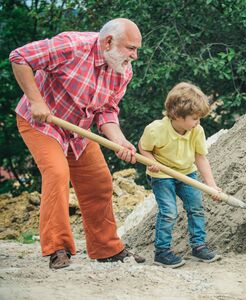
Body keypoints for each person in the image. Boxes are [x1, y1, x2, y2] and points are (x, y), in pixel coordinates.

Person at [10, 18, 146, 269]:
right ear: (108, 42)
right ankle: (57, 248)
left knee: (100, 181)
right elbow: (19, 57)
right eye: (131, 48)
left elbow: (106, 111)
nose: (135, 56)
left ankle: (107, 248)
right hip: (42, 123)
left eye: (136, 50)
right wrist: (35, 100)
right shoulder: (72, 46)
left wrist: (119, 141)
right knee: (57, 173)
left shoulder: (123, 71)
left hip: (78, 132)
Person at [138, 82, 222, 268]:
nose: (198, 122)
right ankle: (162, 252)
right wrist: (151, 162)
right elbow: (143, 148)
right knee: (169, 212)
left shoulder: (196, 131)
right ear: (176, 115)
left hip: (187, 172)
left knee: (196, 207)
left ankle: (199, 246)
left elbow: (200, 157)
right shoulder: (155, 129)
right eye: (194, 118)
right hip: (162, 175)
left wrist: (211, 185)